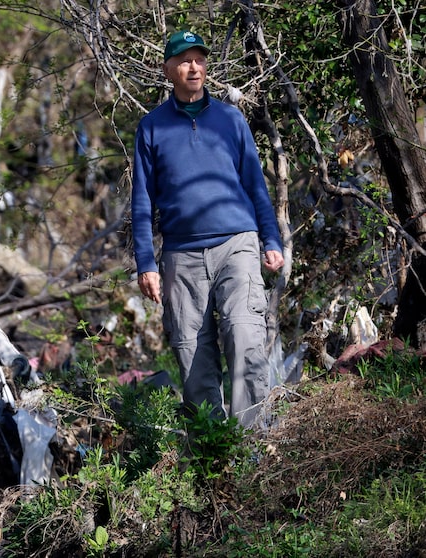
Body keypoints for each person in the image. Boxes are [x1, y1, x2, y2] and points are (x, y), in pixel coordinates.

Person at [131, 30, 285, 429]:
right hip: (181, 255)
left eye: (199, 59)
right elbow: (143, 201)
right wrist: (145, 262)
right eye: (184, 60)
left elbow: (255, 185)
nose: (194, 66)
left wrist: (270, 238)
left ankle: (252, 451)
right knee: (192, 354)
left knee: (245, 337)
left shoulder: (230, 120)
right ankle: (214, 458)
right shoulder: (151, 128)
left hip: (237, 244)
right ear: (169, 70)